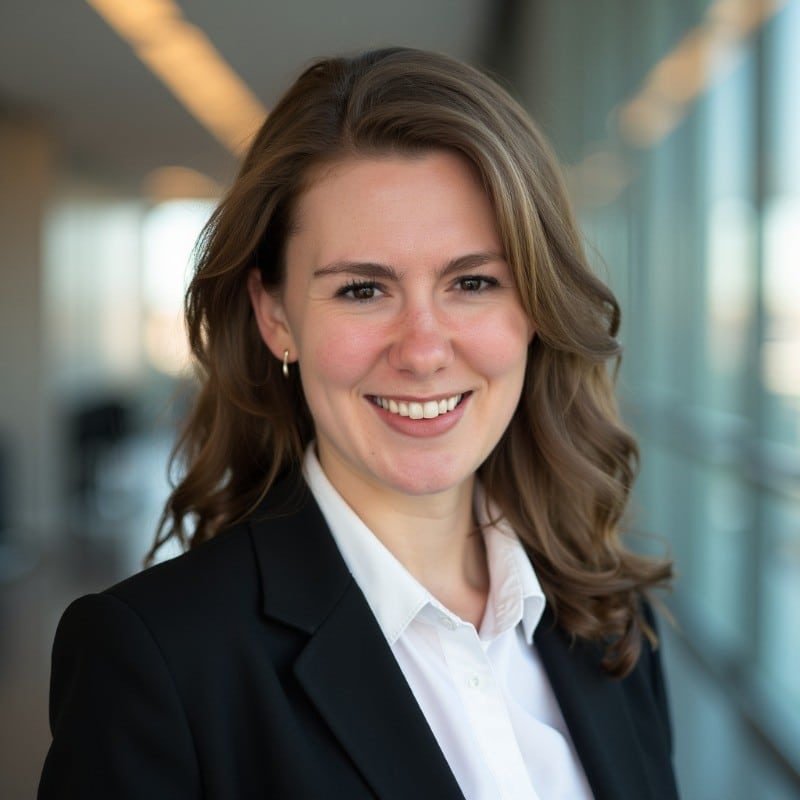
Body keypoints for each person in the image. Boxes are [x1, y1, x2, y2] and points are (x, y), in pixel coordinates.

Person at [39, 47, 677, 799]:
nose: (424, 350)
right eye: (362, 290)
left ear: (535, 306)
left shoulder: (610, 618)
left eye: (472, 282)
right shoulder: (161, 661)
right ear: (275, 314)